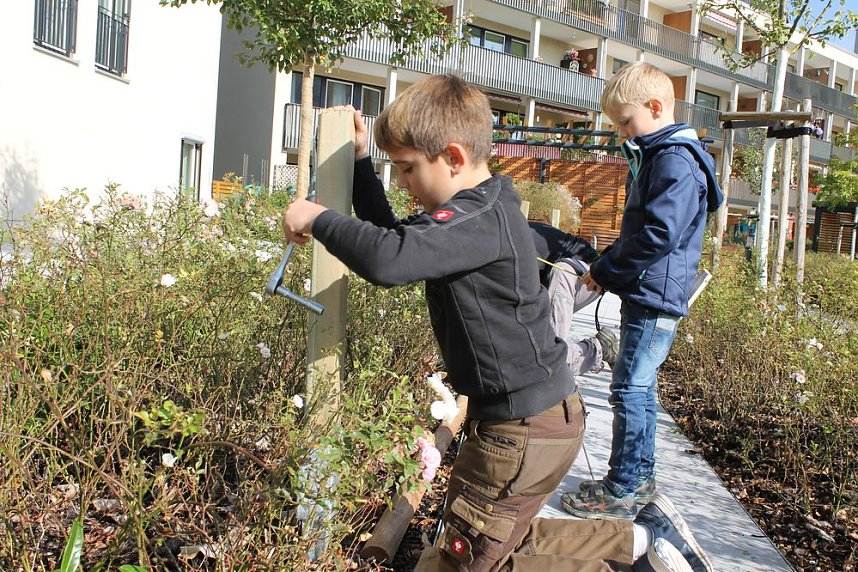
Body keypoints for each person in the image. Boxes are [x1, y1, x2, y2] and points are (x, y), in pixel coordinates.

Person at [281, 74, 712, 571]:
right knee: (505, 540)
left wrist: (316, 217)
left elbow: (388, 259)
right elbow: (396, 238)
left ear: (454, 157)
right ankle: (641, 543)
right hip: (536, 420)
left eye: (406, 168)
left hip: (521, 429)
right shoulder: (482, 208)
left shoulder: (474, 220)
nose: (401, 181)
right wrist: (360, 165)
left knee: (465, 561)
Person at [561, 62, 723, 521]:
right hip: (651, 292)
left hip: (655, 298)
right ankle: (640, 477)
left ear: (655, 108)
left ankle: (623, 485)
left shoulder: (673, 159)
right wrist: (610, 265)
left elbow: (656, 235)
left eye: (625, 122)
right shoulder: (661, 155)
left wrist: (605, 271)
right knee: (640, 389)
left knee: (628, 389)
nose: (620, 133)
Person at [529, 221, 619, 376]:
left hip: (585, 275)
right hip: (550, 280)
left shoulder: (507, 245)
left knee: (545, 355)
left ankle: (594, 350)